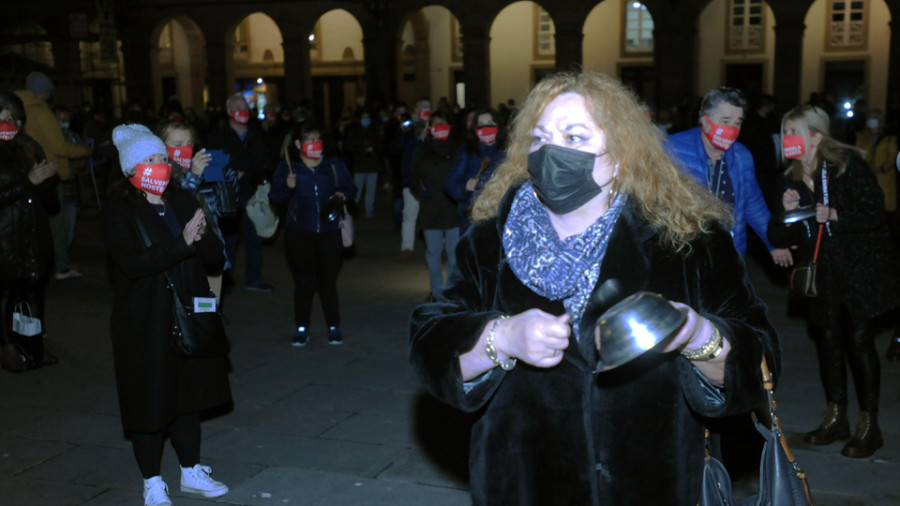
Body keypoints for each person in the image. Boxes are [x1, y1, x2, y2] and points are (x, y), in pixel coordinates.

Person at [409, 71, 780, 504]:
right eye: (541, 137)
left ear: (620, 155)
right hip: (525, 484)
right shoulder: (489, 241)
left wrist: (697, 335)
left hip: (655, 484)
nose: (552, 152)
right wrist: (500, 337)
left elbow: (762, 362)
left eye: (575, 136)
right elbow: (429, 341)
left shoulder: (689, 241)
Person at [103, 124, 232, 505]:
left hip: (188, 314)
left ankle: (191, 471)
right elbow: (133, 263)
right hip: (145, 321)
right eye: (151, 159)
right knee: (149, 401)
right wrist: (182, 243)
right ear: (131, 169)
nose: (161, 165)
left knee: (187, 397)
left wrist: (204, 238)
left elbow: (213, 255)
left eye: (163, 158)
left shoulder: (181, 200)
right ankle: (152, 481)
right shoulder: (118, 212)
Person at [768, 105, 900, 459]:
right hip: (821, 276)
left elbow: (875, 212)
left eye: (794, 131)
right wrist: (785, 209)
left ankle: (869, 424)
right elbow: (778, 233)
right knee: (828, 343)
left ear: (815, 136)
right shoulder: (789, 178)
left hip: (859, 272)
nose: (788, 139)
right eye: (785, 132)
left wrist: (837, 213)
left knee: (858, 341)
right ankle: (836, 415)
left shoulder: (846, 166)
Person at [666, 87, 793, 268]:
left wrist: (774, 244)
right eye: (725, 121)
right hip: (684, 258)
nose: (732, 129)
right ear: (705, 121)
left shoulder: (742, 156)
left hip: (729, 255)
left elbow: (753, 205)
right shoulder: (672, 150)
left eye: (737, 122)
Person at [269, 123, 356, 347]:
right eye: (310, 140)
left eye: (318, 139)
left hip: (329, 231)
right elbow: (275, 197)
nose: (315, 144)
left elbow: (350, 186)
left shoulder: (333, 164)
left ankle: (334, 326)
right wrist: (287, 187)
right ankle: (301, 328)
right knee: (304, 282)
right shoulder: (288, 167)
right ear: (298, 144)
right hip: (299, 232)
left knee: (328, 281)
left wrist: (343, 193)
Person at [0, 91, 60, 372]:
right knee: (6, 292)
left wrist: (47, 179)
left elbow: (44, 196)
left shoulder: (27, 145)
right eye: (2, 118)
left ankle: (35, 344)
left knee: (33, 289)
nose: (8, 124)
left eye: (11, 118)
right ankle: (8, 348)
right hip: (5, 233)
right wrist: (28, 181)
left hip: (31, 231)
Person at [15, 71, 92, 280]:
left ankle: (45, 266)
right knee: (58, 225)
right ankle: (59, 267)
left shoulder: (19, 109)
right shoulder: (41, 111)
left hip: (29, 174)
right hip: (50, 173)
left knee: (39, 224)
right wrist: (84, 151)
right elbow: (59, 146)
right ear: (45, 91)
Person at [157, 120, 236, 301]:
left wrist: (226, 183)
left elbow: (223, 212)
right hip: (183, 258)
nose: (185, 149)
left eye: (189, 144)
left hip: (210, 253)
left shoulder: (201, 167)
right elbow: (174, 207)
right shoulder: (159, 175)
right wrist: (193, 176)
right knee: (185, 314)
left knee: (209, 310)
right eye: (178, 145)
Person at [205, 93, 272, 293]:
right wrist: (233, 172)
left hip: (251, 193)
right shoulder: (217, 138)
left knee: (254, 238)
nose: (241, 110)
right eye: (237, 106)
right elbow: (213, 165)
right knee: (228, 240)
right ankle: (225, 279)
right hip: (228, 195)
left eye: (244, 106)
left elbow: (264, 162)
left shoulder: (256, 136)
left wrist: (249, 171)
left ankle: (254, 278)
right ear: (228, 111)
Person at [408, 112, 460, 301]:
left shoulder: (456, 149)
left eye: (443, 123)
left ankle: (452, 291)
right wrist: (421, 191)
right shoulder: (422, 151)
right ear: (430, 129)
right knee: (433, 252)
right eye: (435, 124)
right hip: (431, 209)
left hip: (452, 208)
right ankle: (437, 291)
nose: (439, 127)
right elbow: (413, 176)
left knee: (455, 253)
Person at [444, 108, 506, 232]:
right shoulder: (468, 153)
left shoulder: (507, 152)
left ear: (497, 126)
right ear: (475, 129)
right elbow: (450, 183)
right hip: (474, 218)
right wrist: (464, 188)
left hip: (501, 217)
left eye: (490, 123)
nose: (486, 127)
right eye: (481, 124)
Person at [398, 97, 431, 261]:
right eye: (422, 107)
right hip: (411, 178)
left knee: (432, 215)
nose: (425, 110)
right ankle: (407, 247)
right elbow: (398, 149)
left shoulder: (436, 126)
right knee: (410, 215)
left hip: (431, 179)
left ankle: (437, 248)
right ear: (415, 109)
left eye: (428, 107)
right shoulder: (408, 129)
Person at [345, 109, 383, 218]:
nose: (366, 120)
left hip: (373, 164)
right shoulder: (355, 131)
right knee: (357, 188)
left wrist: (373, 149)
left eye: (367, 117)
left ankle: (369, 209)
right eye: (363, 117)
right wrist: (361, 148)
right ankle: (353, 208)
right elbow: (349, 145)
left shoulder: (374, 131)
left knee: (371, 188)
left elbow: (381, 145)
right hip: (359, 165)